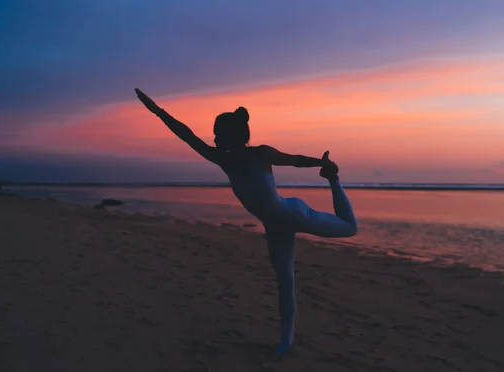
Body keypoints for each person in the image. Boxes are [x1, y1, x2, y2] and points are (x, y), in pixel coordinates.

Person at [135, 88, 358, 353]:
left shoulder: (260, 154)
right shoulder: (222, 159)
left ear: (231, 134)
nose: (214, 137)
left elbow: (294, 160)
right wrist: (158, 112)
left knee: (350, 228)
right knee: (285, 281)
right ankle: (286, 341)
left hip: (293, 213)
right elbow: (187, 135)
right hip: (275, 227)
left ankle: (333, 181)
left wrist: (322, 165)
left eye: (217, 132)